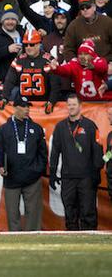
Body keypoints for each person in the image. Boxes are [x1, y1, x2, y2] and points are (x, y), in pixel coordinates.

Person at [0, 95, 47, 231]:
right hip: (11, 178)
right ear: (15, 108)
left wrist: (38, 170)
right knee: (12, 214)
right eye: (23, 106)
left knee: (33, 214)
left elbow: (43, 153)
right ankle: (15, 239)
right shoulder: (4, 129)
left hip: (32, 179)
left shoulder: (36, 128)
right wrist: (0, 167)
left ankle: (33, 239)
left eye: (28, 106)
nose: (27, 109)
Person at [49, 93, 104, 230]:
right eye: (69, 105)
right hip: (68, 178)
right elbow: (55, 151)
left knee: (88, 212)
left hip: (86, 178)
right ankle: (72, 240)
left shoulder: (90, 126)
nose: (71, 107)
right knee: (70, 212)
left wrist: (96, 172)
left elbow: (97, 150)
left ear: (80, 106)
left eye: (74, 105)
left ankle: (91, 242)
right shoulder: (60, 127)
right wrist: (53, 172)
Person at [0, 30, 61, 113]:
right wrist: (4, 98)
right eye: (26, 44)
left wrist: (51, 101)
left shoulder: (49, 61)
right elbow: (9, 81)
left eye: (32, 44)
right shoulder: (18, 60)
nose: (28, 47)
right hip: (23, 105)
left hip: (43, 104)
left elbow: (55, 85)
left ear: (39, 44)